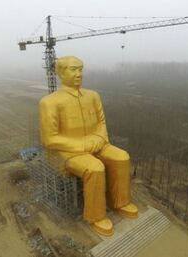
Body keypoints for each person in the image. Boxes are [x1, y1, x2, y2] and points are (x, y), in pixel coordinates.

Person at [39, 56, 138, 236]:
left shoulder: (93, 96)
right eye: (73, 69)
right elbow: (49, 139)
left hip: (97, 143)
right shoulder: (50, 102)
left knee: (122, 157)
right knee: (95, 168)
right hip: (68, 152)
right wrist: (83, 145)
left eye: (81, 69)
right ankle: (96, 216)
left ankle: (120, 202)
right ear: (61, 73)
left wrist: (100, 138)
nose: (79, 74)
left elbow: (102, 122)